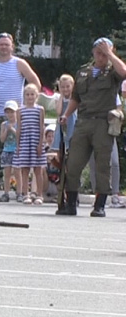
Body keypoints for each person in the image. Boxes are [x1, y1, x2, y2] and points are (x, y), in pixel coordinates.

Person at [57, 37, 126, 217]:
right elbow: (76, 98)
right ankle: (71, 203)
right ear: (93, 52)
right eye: (98, 51)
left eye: (105, 52)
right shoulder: (83, 73)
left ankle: (100, 205)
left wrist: (110, 54)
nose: (101, 55)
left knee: (103, 165)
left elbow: (124, 71)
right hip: (84, 122)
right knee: (73, 163)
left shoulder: (112, 73)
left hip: (103, 122)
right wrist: (66, 114)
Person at [0, 32, 41, 192]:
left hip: (17, 114)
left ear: (12, 46)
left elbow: (35, 82)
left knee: (18, 149)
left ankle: (19, 183)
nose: (4, 47)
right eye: (1, 44)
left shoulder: (19, 64)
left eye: (7, 44)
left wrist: (30, 104)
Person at [12, 84, 47, 204]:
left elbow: (41, 127)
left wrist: (40, 143)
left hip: (36, 140)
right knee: (25, 170)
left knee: (38, 170)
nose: (30, 97)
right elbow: (19, 128)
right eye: (27, 94)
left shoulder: (40, 109)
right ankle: (25, 194)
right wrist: (18, 145)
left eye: (32, 94)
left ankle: (39, 195)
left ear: (36, 96)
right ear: (24, 96)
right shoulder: (20, 110)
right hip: (24, 141)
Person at [0, 100, 19, 202]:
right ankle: (6, 193)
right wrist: (7, 129)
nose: (10, 114)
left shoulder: (19, 123)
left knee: (17, 172)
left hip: (16, 150)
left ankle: (19, 192)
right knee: (7, 174)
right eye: (8, 112)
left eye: (12, 112)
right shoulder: (4, 124)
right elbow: (2, 139)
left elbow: (20, 137)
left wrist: (13, 130)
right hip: (7, 150)